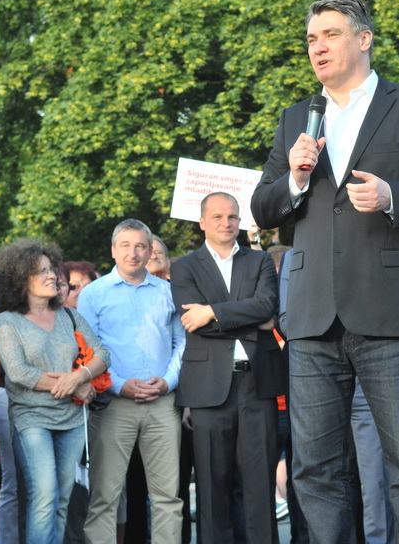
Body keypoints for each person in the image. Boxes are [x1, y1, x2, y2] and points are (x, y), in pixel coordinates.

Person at [250, 0, 399, 543]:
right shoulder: (296, 118)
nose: (318, 47)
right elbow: (262, 207)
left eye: (330, 35)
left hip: (388, 314)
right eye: (311, 39)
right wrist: (295, 179)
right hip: (311, 318)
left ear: (364, 39)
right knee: (315, 470)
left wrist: (395, 195)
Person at [171, 192, 285, 543]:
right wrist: (251, 317)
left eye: (232, 216)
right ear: (202, 222)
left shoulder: (260, 260)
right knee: (211, 485)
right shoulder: (184, 266)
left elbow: (267, 305)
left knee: (259, 484)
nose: (226, 222)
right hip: (208, 388)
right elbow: (194, 322)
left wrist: (213, 311)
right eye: (218, 216)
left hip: (257, 384)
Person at [0, 240, 110, 544]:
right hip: (31, 418)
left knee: (62, 498)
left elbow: (102, 354)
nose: (52, 276)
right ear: (20, 279)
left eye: (51, 269)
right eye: (41, 271)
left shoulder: (69, 316)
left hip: (72, 418)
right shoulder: (7, 321)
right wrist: (72, 384)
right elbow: (19, 373)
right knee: (44, 495)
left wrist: (81, 376)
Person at [79, 219, 185, 544]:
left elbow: (181, 342)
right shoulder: (93, 294)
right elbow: (86, 349)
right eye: (125, 245)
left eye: (140, 246)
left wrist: (168, 381)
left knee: (168, 498)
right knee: (104, 497)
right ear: (113, 250)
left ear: (151, 250)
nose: (133, 253)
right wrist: (118, 384)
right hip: (113, 404)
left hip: (162, 402)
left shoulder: (169, 292)